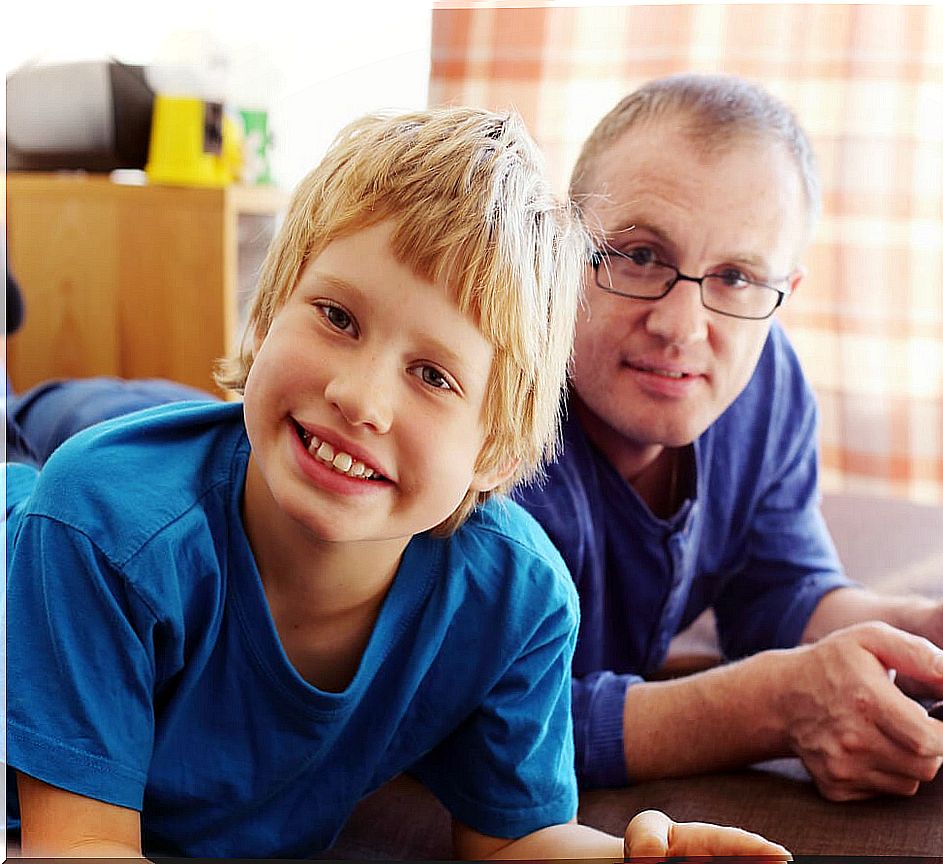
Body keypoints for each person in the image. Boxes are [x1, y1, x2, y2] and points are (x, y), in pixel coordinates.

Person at [4, 107, 789, 860]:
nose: (360, 397)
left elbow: (512, 837)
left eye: (432, 375)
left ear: (499, 455)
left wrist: (627, 855)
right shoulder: (101, 525)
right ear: (267, 314)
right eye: (337, 317)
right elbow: (80, 845)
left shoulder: (517, 599)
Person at [510, 73, 943, 800]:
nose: (681, 326)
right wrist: (770, 708)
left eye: (735, 276)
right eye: (639, 255)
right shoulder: (495, 415)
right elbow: (492, 724)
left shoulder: (766, 378)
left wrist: (927, 637)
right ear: (567, 246)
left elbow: (779, 592)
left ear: (784, 289)